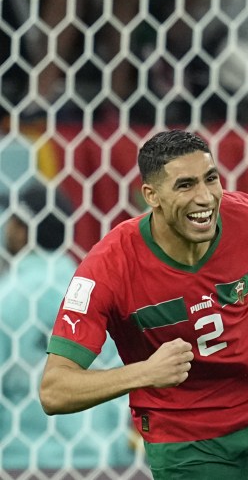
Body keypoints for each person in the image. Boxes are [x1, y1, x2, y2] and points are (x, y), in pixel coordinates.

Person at [38, 130, 248, 479]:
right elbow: (55, 390)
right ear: (152, 195)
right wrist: (144, 373)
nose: (205, 197)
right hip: (188, 440)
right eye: (185, 185)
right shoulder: (107, 270)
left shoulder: (246, 219)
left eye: (211, 179)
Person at [0, 182, 134, 471]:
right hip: (102, 463)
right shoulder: (96, 290)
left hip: (21, 463)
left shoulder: (7, 298)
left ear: (23, 230)